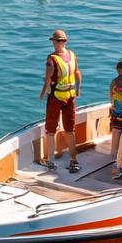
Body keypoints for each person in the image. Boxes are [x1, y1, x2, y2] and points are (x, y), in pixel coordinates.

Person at [39, 30, 81, 173]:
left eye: (54, 41)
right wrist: (78, 89)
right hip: (70, 96)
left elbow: (47, 78)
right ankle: (73, 160)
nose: (53, 43)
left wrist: (43, 92)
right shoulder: (72, 55)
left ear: (56, 42)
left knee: (51, 130)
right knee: (70, 130)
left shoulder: (51, 59)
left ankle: (50, 161)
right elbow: (77, 73)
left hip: (56, 97)